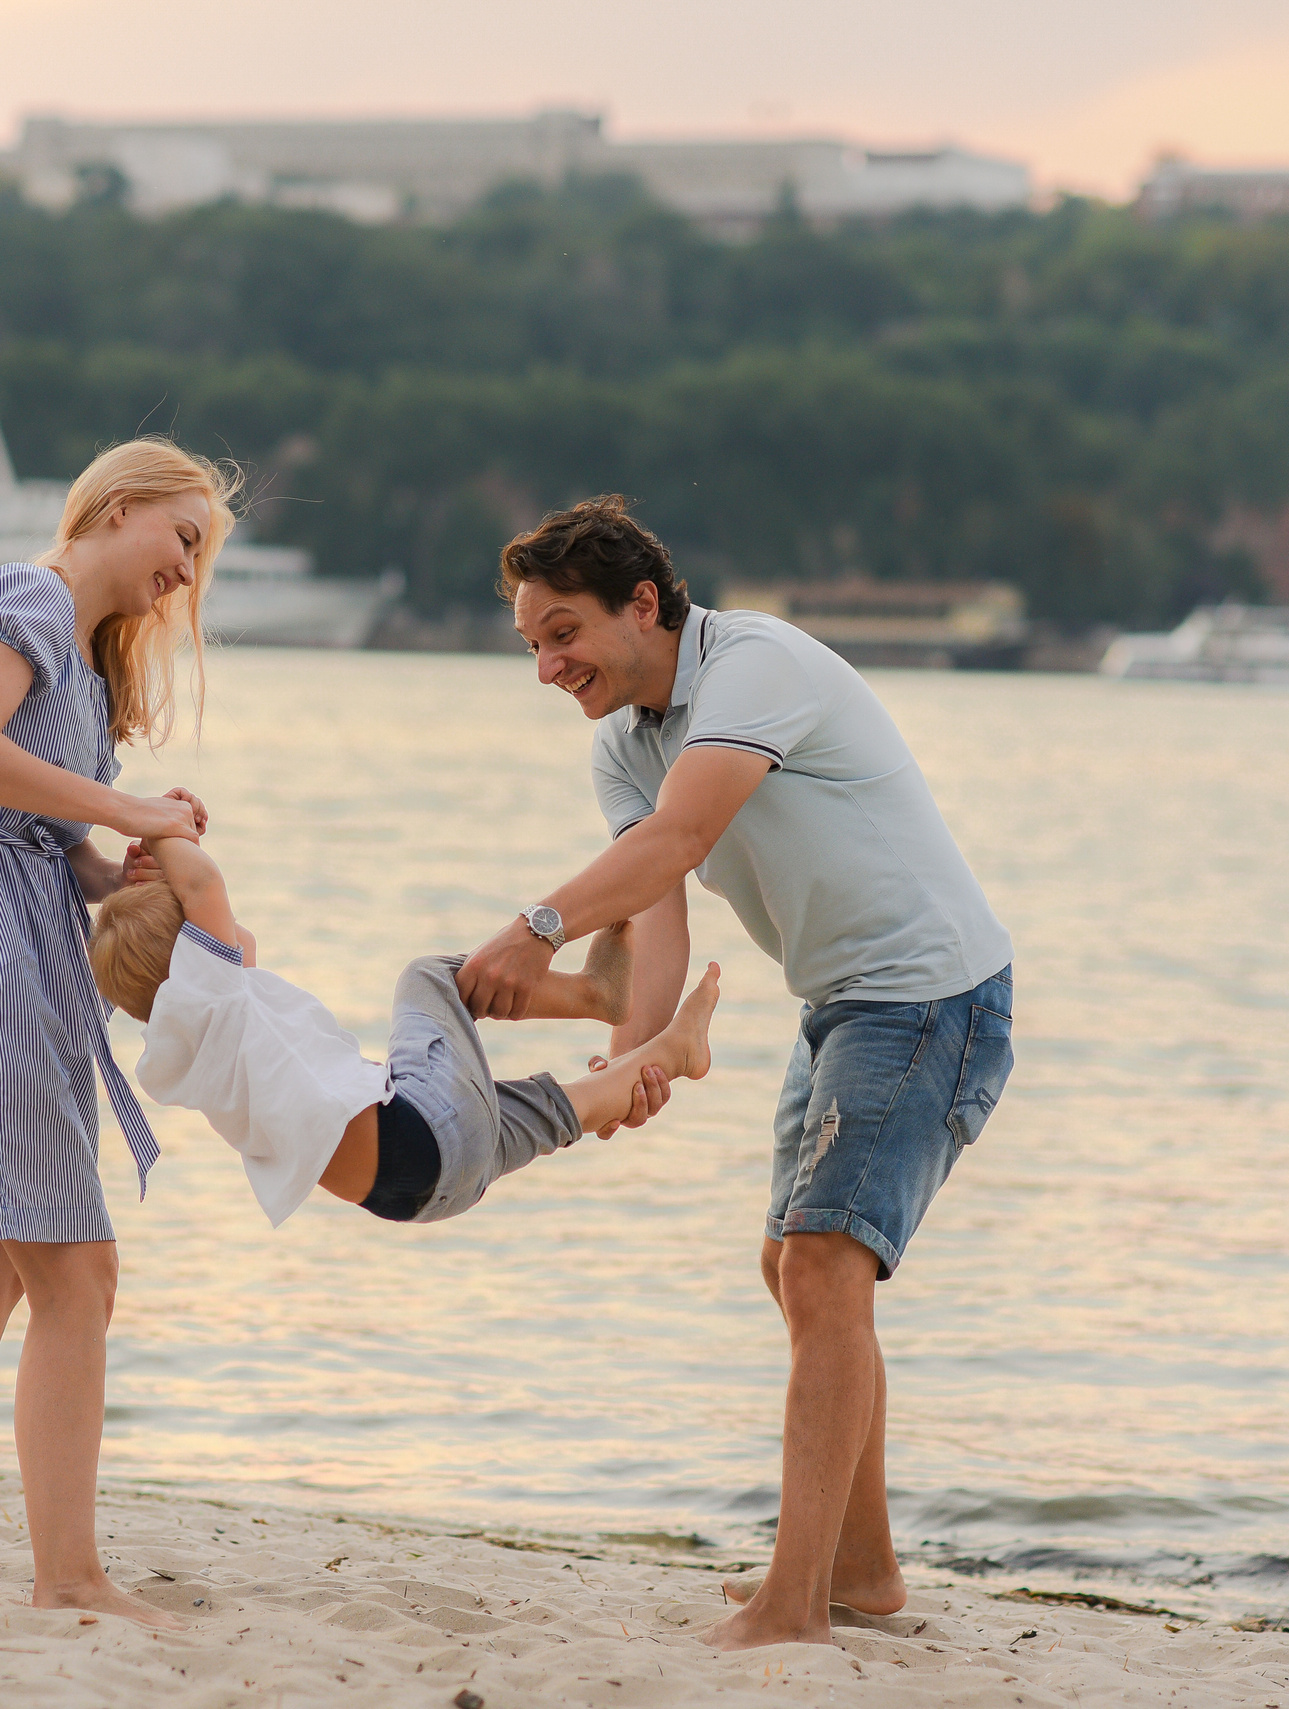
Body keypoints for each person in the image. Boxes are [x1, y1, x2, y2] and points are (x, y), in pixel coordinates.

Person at [456, 495, 1015, 1652]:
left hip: (930, 993)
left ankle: (795, 1601)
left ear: (644, 603)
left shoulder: (753, 666)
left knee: (821, 1266)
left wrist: (533, 925)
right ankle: (862, 1570)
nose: (548, 664)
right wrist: (627, 1058)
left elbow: (678, 843)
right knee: (796, 1269)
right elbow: (651, 920)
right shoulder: (626, 741)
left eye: (563, 633)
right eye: (531, 644)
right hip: (842, 1003)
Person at [0, 438, 236, 1628]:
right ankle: (69, 1572)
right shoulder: (28, 596)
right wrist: (122, 805)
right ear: (118, 508)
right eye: (183, 536)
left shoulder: (75, 655)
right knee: (77, 1275)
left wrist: (109, 862)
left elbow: (19, 814)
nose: (187, 568)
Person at [90, 833, 721, 1227]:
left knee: (560, 1107)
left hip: (420, 1195)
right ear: (196, 951)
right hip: (420, 1130)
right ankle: (590, 994)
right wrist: (161, 824)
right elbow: (204, 883)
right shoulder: (212, 995)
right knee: (427, 978)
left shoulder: (194, 1047)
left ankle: (672, 1050)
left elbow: (208, 928)